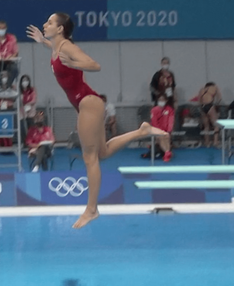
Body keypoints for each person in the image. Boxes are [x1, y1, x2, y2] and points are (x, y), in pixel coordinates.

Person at [27, 12, 167, 229]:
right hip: (87, 103)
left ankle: (92, 210)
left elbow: (94, 65)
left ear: (61, 29)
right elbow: (56, 53)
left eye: (50, 22)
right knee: (101, 153)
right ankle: (141, 131)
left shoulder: (67, 48)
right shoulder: (58, 46)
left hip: (87, 102)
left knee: (90, 158)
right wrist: (43, 41)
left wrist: (74, 64)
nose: (45, 24)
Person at [150, 94, 175, 162]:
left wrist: (169, 131)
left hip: (166, 130)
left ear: (166, 100)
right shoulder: (154, 110)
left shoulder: (170, 109)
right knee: (161, 137)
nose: (161, 101)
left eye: (163, 100)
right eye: (160, 100)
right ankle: (167, 152)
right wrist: (158, 132)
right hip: (156, 130)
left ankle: (167, 153)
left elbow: (171, 121)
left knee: (166, 138)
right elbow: (154, 122)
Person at [196, 82, 222, 147]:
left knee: (206, 126)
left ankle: (207, 142)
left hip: (202, 107)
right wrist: (216, 105)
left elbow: (199, 100)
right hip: (210, 106)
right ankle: (215, 142)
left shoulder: (202, 89)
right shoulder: (214, 88)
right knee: (216, 125)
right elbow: (219, 98)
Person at [20, 74, 37, 142]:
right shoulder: (19, 91)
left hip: (31, 111)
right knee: (22, 128)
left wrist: (28, 104)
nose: (25, 82)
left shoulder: (32, 90)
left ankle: (32, 141)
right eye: (23, 80)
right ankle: (24, 142)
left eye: (26, 80)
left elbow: (34, 99)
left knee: (31, 128)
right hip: (22, 112)